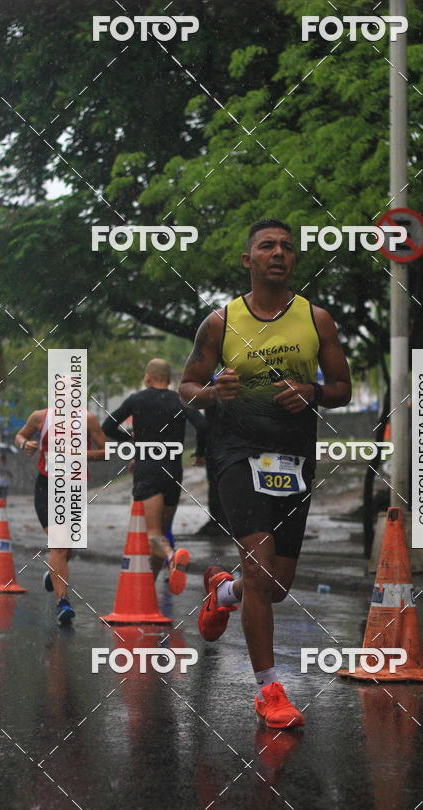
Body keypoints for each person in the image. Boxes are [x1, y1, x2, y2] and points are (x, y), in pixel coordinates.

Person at [179, 218, 351, 728]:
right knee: (259, 566)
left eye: (286, 247)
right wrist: (212, 392)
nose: (278, 253)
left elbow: (341, 386)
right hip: (236, 452)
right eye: (266, 246)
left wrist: (314, 393)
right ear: (247, 260)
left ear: (294, 260)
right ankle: (269, 690)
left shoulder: (317, 319)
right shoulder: (220, 321)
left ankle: (222, 592)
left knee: (274, 585)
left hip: (294, 457)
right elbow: (186, 386)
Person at [102, 358, 206, 592]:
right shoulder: (180, 399)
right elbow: (203, 426)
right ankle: (148, 590)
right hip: (173, 470)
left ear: (148, 377)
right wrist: (200, 453)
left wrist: (131, 440)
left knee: (152, 535)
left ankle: (173, 557)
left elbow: (108, 426)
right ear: (169, 379)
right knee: (162, 531)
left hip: (147, 469)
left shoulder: (137, 399)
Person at [15, 408, 106, 625]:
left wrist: (79, 455)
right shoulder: (40, 417)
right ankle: (62, 603)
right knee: (59, 545)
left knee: (67, 550)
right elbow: (20, 435)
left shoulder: (88, 419)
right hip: (46, 486)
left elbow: (107, 451)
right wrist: (23, 444)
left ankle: (54, 571)